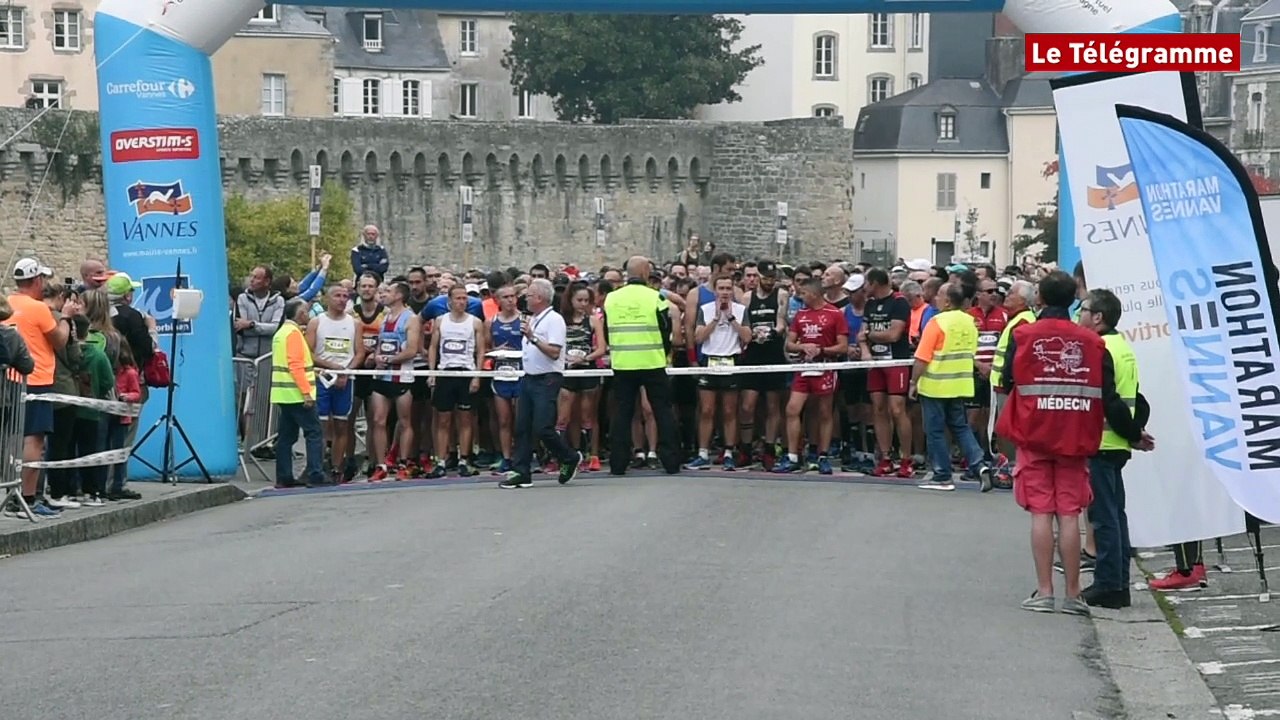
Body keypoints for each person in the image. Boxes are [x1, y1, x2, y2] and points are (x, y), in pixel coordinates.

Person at [996, 270, 1107, 616]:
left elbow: (1008, 378)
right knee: (1070, 515)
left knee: (1041, 513)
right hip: (1074, 435)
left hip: (1034, 432)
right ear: (1074, 299)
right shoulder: (1091, 341)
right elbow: (1106, 387)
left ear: (1039, 298)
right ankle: (1074, 595)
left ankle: (1045, 591)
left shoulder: (1023, 334)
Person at [1078, 288, 1155, 608]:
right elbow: (1136, 398)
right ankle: (1117, 583)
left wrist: (1134, 433)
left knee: (1104, 517)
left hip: (1102, 441)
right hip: (1116, 442)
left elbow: (1108, 400)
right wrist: (1135, 431)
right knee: (1115, 516)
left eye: (1082, 310)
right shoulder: (1121, 345)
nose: (1077, 315)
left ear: (1098, 317)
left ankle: (1109, 585)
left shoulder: (1099, 347)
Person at [499, 279, 583, 488]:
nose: (524, 299)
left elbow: (554, 352)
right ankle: (521, 471)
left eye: (528, 296)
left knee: (543, 427)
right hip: (529, 376)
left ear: (539, 298)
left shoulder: (554, 320)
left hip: (547, 378)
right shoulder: (535, 319)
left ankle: (569, 456)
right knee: (522, 426)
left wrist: (532, 338)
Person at [909, 282, 991, 492]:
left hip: (936, 384)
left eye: (938, 296)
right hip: (960, 383)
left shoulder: (937, 322)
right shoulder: (970, 322)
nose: (935, 299)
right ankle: (979, 465)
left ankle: (942, 475)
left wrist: (913, 382)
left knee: (935, 430)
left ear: (946, 301)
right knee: (960, 427)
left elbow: (922, 358)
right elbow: (970, 352)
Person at [3, 258, 69, 519]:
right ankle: (27, 498)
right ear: (37, 280)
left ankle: (14, 494)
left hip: (7, 378)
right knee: (34, 440)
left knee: (12, 439)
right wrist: (66, 317)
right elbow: (60, 341)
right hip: (35, 378)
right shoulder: (39, 308)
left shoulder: (6, 302)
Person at [603, 256, 681, 475]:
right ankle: (671, 461)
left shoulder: (611, 298)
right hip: (652, 362)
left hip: (623, 363)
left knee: (622, 414)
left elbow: (608, 331)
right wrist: (662, 352)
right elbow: (666, 330)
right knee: (663, 412)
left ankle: (618, 463)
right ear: (646, 272)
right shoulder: (656, 297)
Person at [774, 277, 848, 475]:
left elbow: (843, 346)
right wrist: (802, 347)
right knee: (792, 409)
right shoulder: (801, 314)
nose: (800, 296)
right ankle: (792, 456)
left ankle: (822, 455)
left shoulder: (834, 314)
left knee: (824, 412)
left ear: (814, 294)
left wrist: (822, 350)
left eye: (803, 293)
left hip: (825, 368)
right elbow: (789, 344)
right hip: (804, 368)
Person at [686, 273, 751, 471]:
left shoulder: (740, 310)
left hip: (730, 361)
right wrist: (715, 318)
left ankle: (729, 452)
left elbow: (747, 336)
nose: (724, 293)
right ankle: (703, 453)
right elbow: (699, 337)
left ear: (732, 290)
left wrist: (730, 317)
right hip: (710, 361)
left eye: (727, 289)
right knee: (707, 410)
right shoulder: (705, 310)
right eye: (721, 289)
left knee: (730, 411)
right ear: (715, 291)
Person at [307, 285, 364, 484]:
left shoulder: (354, 323)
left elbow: (359, 352)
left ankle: (337, 468)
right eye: (337, 295)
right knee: (320, 426)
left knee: (342, 425)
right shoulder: (317, 322)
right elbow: (310, 353)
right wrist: (331, 366)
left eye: (345, 296)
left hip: (345, 380)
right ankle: (317, 466)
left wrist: (345, 372)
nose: (341, 299)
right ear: (328, 299)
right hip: (322, 378)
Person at [427, 284, 485, 478]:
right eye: (458, 298)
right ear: (449, 301)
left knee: (466, 419)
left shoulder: (475, 322)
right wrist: (432, 372)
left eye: (464, 298)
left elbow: (481, 351)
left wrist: (477, 375)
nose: (462, 302)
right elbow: (434, 347)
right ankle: (441, 460)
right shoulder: (440, 321)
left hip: (466, 372)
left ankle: (464, 459)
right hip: (446, 372)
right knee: (443, 419)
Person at [270, 298, 330, 489]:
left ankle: (284, 477)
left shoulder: (281, 332)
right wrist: (306, 392)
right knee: (314, 432)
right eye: (305, 310)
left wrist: (312, 371)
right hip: (296, 394)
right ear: (300, 314)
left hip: (283, 394)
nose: (308, 313)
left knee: (286, 437)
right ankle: (315, 474)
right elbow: (295, 365)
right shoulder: (294, 334)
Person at [370, 282, 423, 480]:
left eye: (388, 292)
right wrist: (376, 357)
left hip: (402, 375)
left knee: (405, 421)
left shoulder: (411, 318)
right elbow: (380, 345)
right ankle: (381, 465)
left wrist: (390, 360)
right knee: (378, 420)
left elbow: (412, 350)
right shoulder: (384, 318)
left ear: (399, 295)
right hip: (382, 376)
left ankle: (403, 462)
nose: (383, 295)